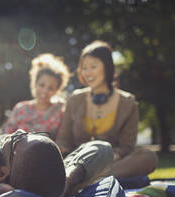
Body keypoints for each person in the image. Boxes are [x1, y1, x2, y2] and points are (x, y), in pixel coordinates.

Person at [56, 40, 158, 183]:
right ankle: (87, 179)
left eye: (93, 67)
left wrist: (115, 154)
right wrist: (60, 150)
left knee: (147, 157)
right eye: (84, 68)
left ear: (108, 68)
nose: (87, 72)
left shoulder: (128, 102)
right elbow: (64, 139)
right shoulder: (74, 99)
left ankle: (84, 181)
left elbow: (127, 146)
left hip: (110, 164)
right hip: (75, 162)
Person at [3, 53, 71, 140]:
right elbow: (6, 138)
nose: (45, 91)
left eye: (51, 88)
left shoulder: (61, 110)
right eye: (41, 85)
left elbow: (65, 140)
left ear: (56, 91)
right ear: (35, 84)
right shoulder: (20, 109)